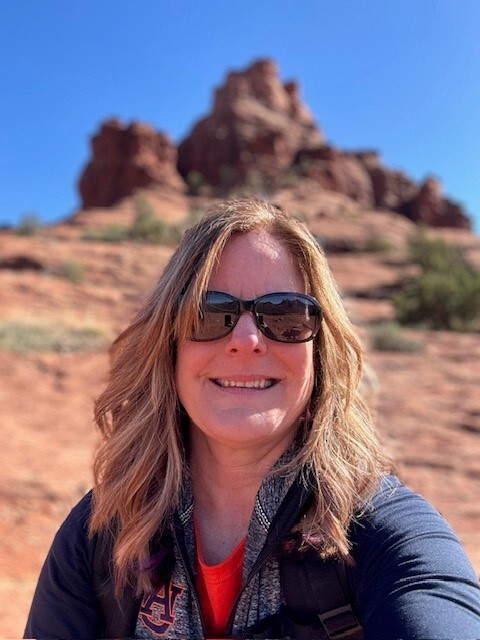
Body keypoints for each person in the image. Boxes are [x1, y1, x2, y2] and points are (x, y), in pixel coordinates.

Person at [25, 199, 480, 639]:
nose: (246, 339)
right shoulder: (100, 535)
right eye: (208, 313)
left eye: (286, 315)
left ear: (320, 353)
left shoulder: (385, 533)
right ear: (168, 345)